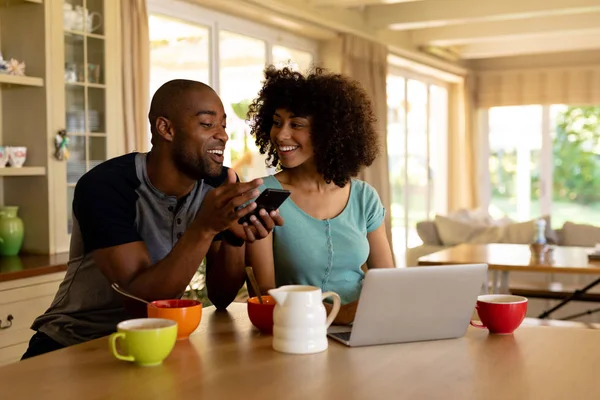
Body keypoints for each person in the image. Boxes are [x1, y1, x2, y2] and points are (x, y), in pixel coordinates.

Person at [22, 79, 283, 359]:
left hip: (156, 341)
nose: (222, 135)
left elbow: (221, 296)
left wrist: (232, 235)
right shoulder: (105, 186)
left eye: (223, 125)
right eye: (208, 124)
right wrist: (206, 227)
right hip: (74, 342)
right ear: (165, 128)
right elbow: (140, 304)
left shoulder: (216, 184)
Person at [245, 66, 394, 325]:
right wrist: (341, 315)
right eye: (277, 122)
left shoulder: (363, 197)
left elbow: (388, 283)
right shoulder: (264, 196)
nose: (281, 134)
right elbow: (266, 295)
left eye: (296, 124)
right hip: (297, 333)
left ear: (328, 133)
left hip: (363, 329)